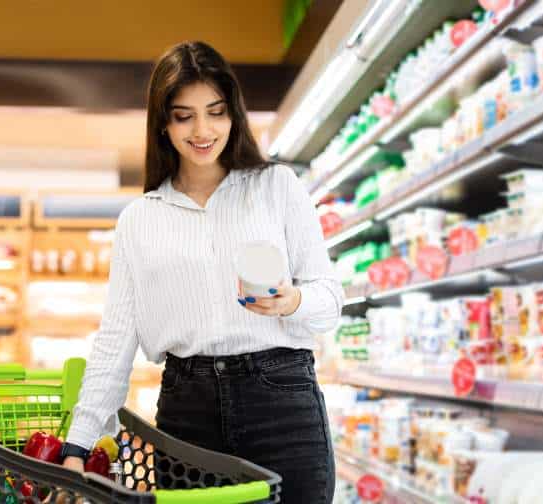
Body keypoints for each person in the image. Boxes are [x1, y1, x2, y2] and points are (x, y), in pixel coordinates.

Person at [62, 40, 343, 504]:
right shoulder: (140, 218)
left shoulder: (276, 187)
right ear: (163, 123)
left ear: (233, 112)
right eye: (184, 115)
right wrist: (79, 441)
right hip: (187, 409)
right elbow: (116, 337)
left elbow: (330, 300)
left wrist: (293, 300)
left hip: (281, 397)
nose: (203, 129)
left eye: (215, 112)